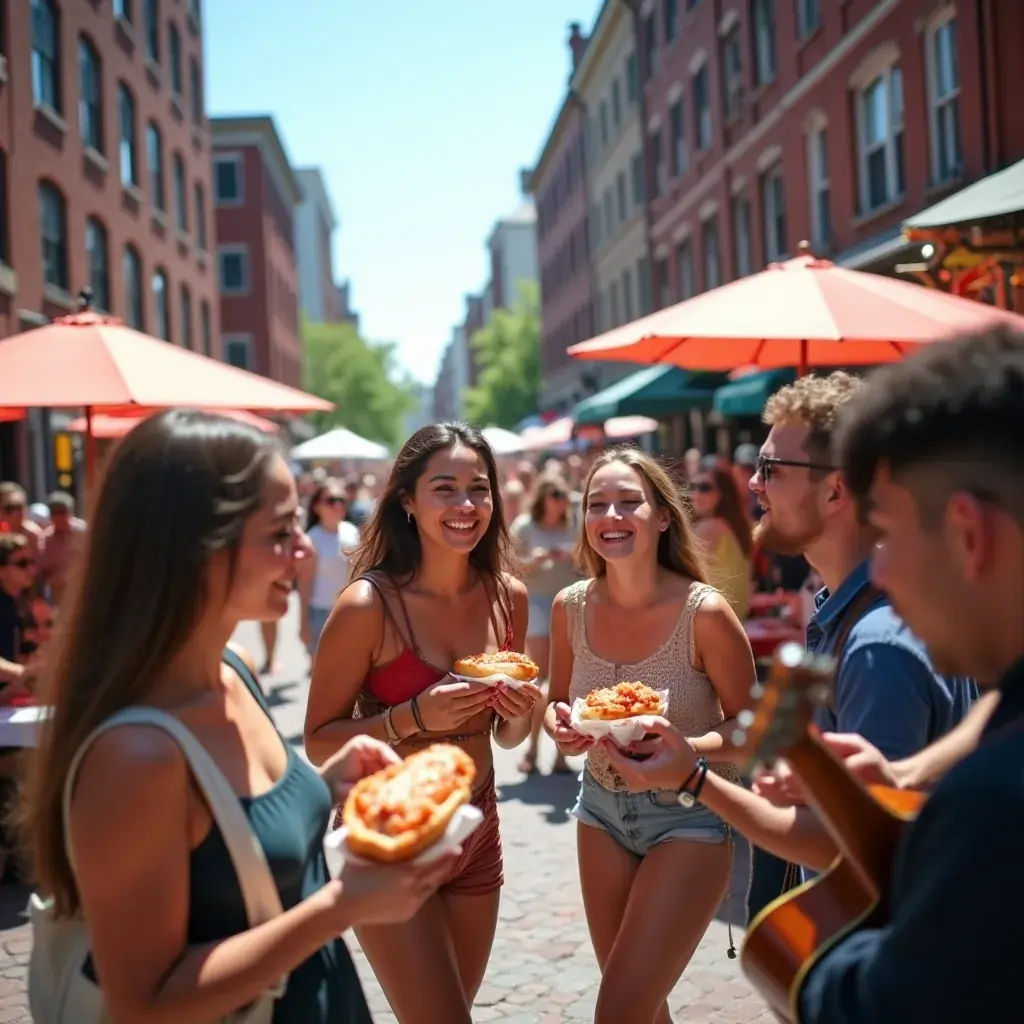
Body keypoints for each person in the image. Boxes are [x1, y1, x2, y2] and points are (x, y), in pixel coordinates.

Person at [20, 411, 459, 1022]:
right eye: (281, 532)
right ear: (194, 550)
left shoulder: (234, 669)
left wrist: (327, 783)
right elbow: (143, 1004)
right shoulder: (136, 756)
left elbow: (238, 835)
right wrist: (341, 907)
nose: (305, 548)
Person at [609, 374, 977, 901]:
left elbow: (853, 843)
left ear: (836, 490)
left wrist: (692, 779)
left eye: (770, 469)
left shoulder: (876, 646)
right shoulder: (865, 609)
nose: (752, 483)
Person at [791, 325, 1024, 1021]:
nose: (881, 570)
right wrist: (905, 777)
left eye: (887, 534)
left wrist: (822, 944)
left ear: (967, 533)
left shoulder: (991, 813)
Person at [304, 422, 541, 1024]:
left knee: (451, 1009)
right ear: (406, 500)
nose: (467, 506)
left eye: (479, 489)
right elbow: (317, 741)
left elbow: (506, 738)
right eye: (446, 489)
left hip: (477, 825)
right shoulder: (367, 605)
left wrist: (520, 715)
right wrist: (411, 717)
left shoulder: (506, 595)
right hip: (388, 837)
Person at [542, 447, 754, 1024]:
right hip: (600, 815)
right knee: (641, 1005)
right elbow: (561, 701)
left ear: (663, 516)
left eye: (629, 502)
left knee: (618, 1010)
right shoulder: (570, 608)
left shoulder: (703, 612)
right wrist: (558, 725)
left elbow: (755, 728)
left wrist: (691, 751)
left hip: (690, 814)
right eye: (597, 504)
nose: (612, 516)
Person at [510, 474, 581, 774]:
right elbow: (511, 565)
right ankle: (533, 750)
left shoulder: (574, 524)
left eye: (564, 495)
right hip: (538, 603)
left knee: (566, 684)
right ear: (542, 497)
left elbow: (590, 561)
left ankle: (562, 754)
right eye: (554, 494)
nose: (560, 501)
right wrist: (535, 561)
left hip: (570, 603)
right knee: (541, 682)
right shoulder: (525, 526)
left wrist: (571, 555)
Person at [300, 479, 360, 654]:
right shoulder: (312, 539)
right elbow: (305, 582)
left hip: (349, 613)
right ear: (317, 506)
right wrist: (303, 623)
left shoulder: (353, 533)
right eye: (331, 500)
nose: (337, 505)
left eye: (341, 500)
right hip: (319, 614)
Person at [689, 466, 754, 620]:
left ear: (722, 494)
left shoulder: (710, 528)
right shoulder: (737, 527)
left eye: (705, 488)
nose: (695, 494)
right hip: (733, 620)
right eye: (692, 487)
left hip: (712, 621)